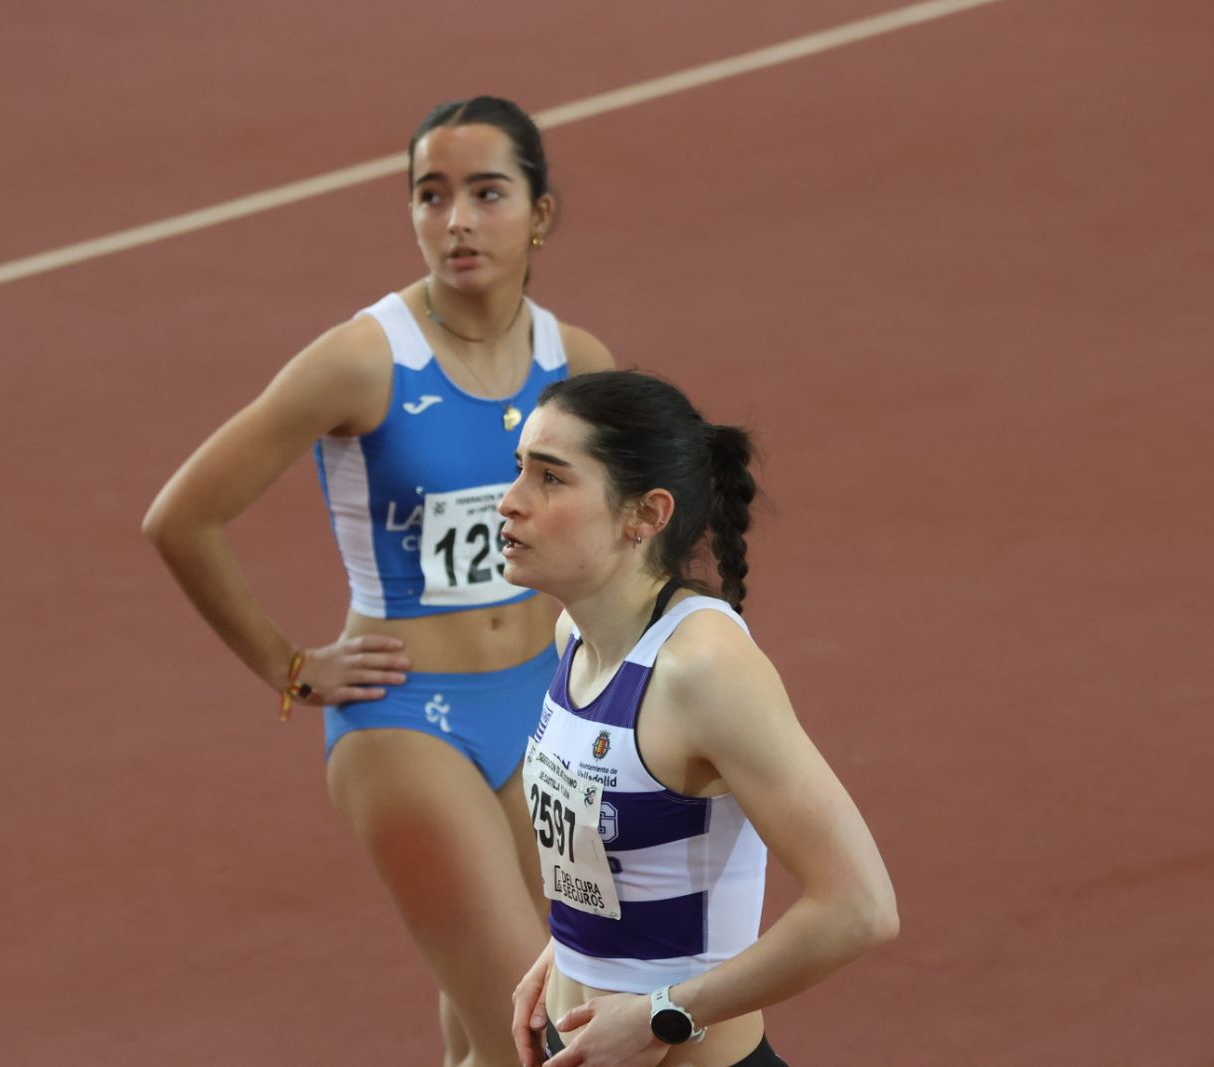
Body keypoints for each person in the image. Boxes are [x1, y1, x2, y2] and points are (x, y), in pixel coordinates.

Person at [142, 95, 614, 1066]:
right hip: (406, 721)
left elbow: (614, 549)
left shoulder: (580, 369)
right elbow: (182, 516)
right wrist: (288, 664)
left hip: (541, 717)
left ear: (541, 214)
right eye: (429, 195)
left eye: (486, 193)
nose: (455, 221)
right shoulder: (366, 359)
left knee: (509, 1026)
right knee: (541, 1036)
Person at [501, 370, 899, 1067]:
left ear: (646, 514)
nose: (510, 502)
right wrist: (565, 951)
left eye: (551, 478)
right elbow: (626, 855)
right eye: (518, 470)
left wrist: (663, 1016)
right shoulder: (574, 636)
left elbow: (859, 907)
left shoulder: (704, 669)